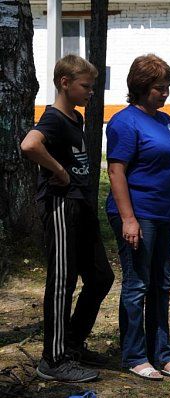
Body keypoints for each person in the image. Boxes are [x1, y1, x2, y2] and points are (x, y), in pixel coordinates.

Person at [20, 54, 114, 382]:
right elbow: (30, 145)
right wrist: (58, 170)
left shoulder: (75, 118)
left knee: (101, 277)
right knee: (63, 283)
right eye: (85, 86)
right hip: (61, 207)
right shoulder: (54, 119)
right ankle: (54, 360)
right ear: (65, 83)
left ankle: (72, 343)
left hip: (81, 206)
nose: (91, 92)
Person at [105, 54, 170, 380]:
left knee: (162, 284)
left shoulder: (166, 120)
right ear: (141, 87)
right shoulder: (124, 122)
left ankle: (162, 354)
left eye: (168, 86)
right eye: (160, 87)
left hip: (163, 213)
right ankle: (134, 355)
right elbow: (116, 172)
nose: (165, 93)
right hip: (136, 213)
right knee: (138, 284)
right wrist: (129, 219)